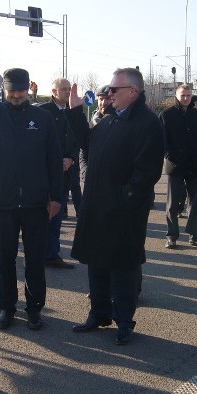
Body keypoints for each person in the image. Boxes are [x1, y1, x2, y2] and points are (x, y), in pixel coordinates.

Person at [70, 67, 165, 345]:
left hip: (124, 211)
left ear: (132, 92)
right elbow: (89, 145)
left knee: (123, 268)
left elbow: (147, 172)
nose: (108, 94)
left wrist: (125, 198)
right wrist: (75, 113)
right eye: (109, 90)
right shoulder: (111, 119)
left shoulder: (147, 123)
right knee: (97, 263)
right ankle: (99, 313)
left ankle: (124, 320)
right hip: (99, 207)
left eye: (114, 90)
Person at [0, 67, 63, 331]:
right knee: (3, 260)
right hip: (3, 204)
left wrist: (55, 197)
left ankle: (34, 309)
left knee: (35, 259)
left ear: (28, 89)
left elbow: (54, 161)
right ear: (4, 90)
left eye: (21, 90)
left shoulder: (42, 119)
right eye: (12, 90)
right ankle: (6, 308)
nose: (17, 94)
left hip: (36, 204)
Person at [37, 78, 82, 269]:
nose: (66, 92)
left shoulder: (73, 114)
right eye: (63, 89)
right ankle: (39, 254)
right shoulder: (43, 112)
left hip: (66, 174)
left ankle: (52, 255)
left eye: (68, 89)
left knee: (56, 218)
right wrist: (56, 162)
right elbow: (38, 142)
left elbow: (78, 139)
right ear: (54, 91)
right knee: (43, 217)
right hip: (46, 174)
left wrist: (71, 158)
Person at [159, 83, 197, 248]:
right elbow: (162, 141)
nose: (186, 98)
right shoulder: (166, 115)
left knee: (195, 202)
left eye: (188, 95)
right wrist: (170, 155)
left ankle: (194, 235)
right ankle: (172, 235)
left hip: (195, 165)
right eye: (183, 95)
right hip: (175, 165)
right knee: (172, 203)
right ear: (176, 97)